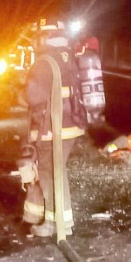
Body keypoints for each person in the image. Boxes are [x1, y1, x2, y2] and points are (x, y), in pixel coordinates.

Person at [21, 18, 86, 237]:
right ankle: (58, 221)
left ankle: (57, 224)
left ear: (44, 36)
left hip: (51, 130)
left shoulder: (44, 61)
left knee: (50, 174)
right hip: (70, 127)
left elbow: (32, 97)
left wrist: (19, 88)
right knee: (57, 172)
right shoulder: (69, 56)